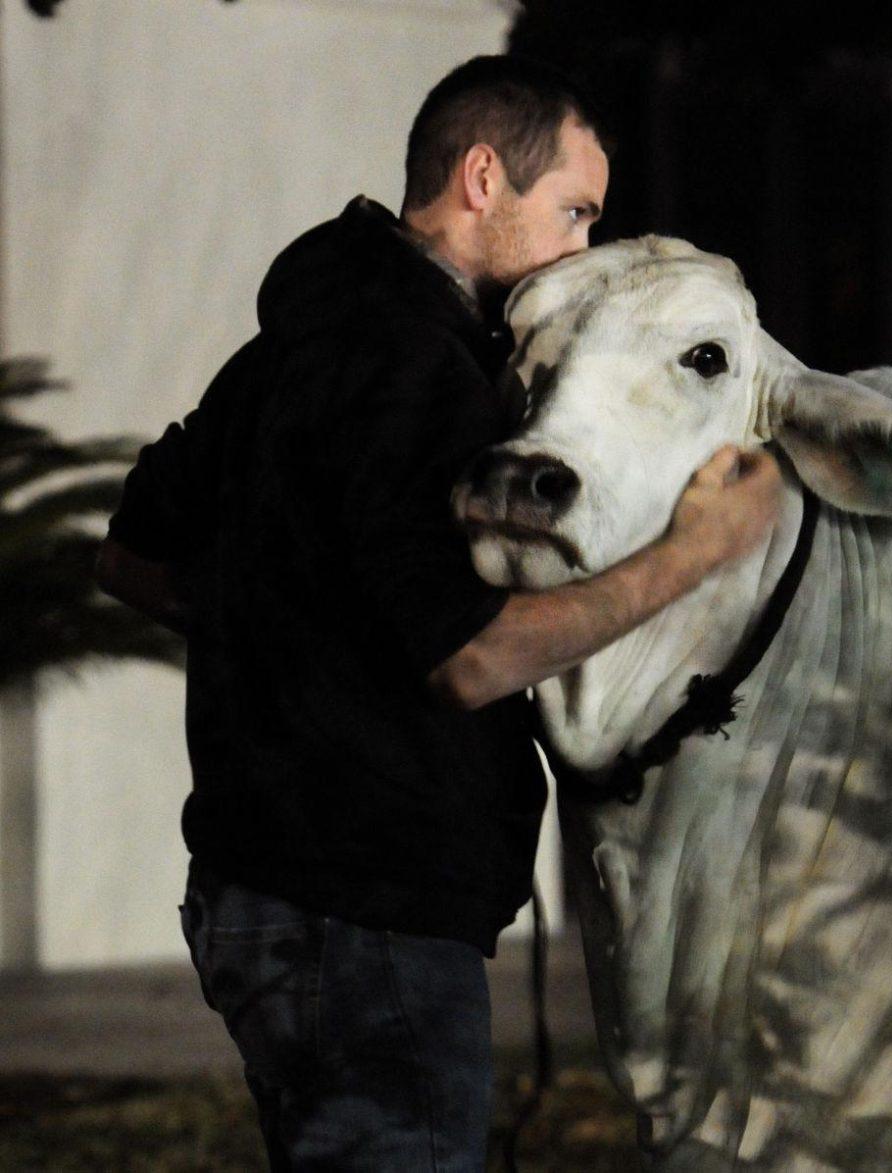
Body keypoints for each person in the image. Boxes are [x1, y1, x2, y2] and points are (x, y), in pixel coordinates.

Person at [95, 55, 781, 1171]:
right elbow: (472, 659)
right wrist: (696, 554)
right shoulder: (415, 372)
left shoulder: (285, 352)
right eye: (574, 211)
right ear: (479, 180)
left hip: (260, 903)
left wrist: (288, 640)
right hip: (364, 924)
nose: (581, 249)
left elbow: (130, 558)